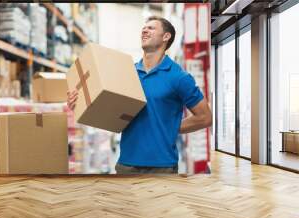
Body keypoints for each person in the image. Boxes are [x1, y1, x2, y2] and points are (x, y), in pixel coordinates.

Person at [67, 16, 212, 174]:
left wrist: (170, 127)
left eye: (151, 28)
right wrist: (79, 102)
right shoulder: (128, 73)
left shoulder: (179, 77)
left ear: (166, 36)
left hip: (162, 167)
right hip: (126, 164)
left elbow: (205, 117)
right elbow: (107, 109)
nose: (144, 30)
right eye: (144, 27)